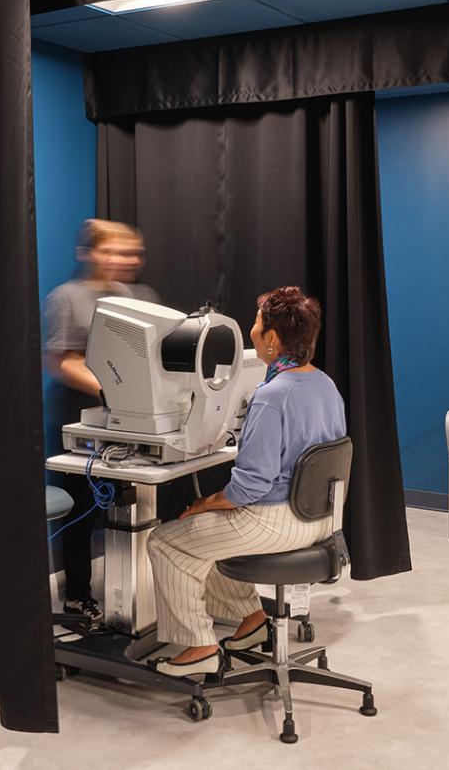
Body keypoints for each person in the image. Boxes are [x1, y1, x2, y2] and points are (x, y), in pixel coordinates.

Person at [144, 286, 345, 677]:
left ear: (272, 339)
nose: (252, 331)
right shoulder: (326, 385)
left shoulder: (272, 396)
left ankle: (199, 645)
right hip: (321, 519)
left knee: (167, 541)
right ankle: (251, 620)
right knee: (207, 538)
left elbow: (250, 486)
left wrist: (209, 502)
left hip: (275, 522)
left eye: (256, 324)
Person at [43, 219, 159, 623]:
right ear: (88, 254)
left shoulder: (132, 297)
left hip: (124, 416)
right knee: (80, 509)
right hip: (78, 414)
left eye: (131, 253)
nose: (125, 260)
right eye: (114, 251)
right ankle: (77, 595)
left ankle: (135, 592)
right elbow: (60, 360)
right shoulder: (67, 298)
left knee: (126, 502)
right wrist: (111, 390)